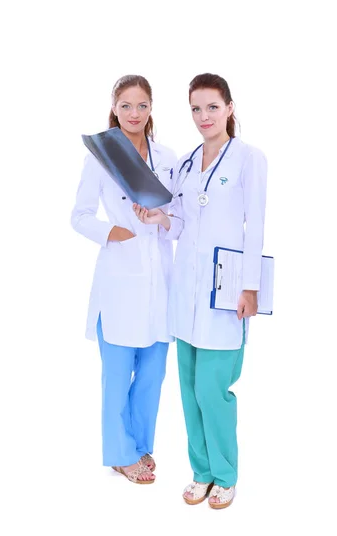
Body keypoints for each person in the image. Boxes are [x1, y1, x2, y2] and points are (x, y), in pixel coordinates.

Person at [133, 73, 268, 507]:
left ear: (229, 107)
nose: (203, 116)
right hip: (186, 291)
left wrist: (250, 287)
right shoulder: (189, 162)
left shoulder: (248, 159)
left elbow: (256, 228)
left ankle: (225, 475)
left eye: (212, 106)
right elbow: (182, 221)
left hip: (227, 292)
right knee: (189, 388)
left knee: (214, 388)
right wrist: (159, 220)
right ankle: (202, 472)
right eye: (196, 108)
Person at [71, 75, 177, 484]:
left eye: (142, 106)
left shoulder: (167, 157)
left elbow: (179, 216)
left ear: (151, 109)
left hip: (159, 280)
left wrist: (163, 220)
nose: (134, 114)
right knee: (117, 374)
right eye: (126, 105)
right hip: (118, 279)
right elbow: (79, 215)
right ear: (114, 108)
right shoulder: (101, 157)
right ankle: (120, 453)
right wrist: (111, 233)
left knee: (152, 372)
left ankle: (141, 445)